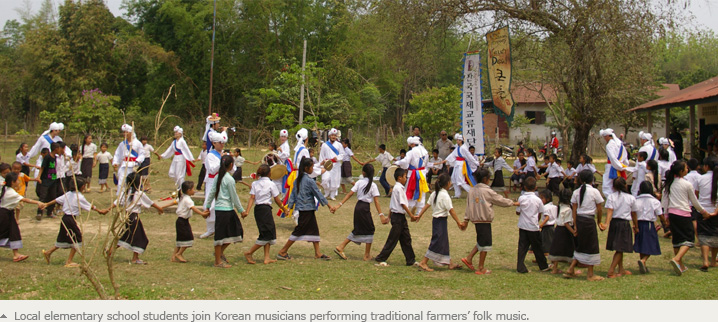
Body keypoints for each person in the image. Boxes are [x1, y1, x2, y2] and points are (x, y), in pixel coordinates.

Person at [277, 158, 336, 260]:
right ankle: (282, 251)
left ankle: (318, 253)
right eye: (312, 167)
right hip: (307, 210)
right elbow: (318, 194)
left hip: (303, 209)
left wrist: (289, 208)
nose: (313, 169)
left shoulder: (297, 180)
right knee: (298, 231)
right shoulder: (309, 181)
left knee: (314, 230)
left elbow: (292, 196)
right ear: (306, 168)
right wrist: (329, 205)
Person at [461, 168, 518, 275]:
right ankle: (481, 268)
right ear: (485, 179)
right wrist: (513, 203)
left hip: (476, 220)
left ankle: (469, 258)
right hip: (484, 220)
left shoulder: (471, 190)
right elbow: (500, 200)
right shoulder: (487, 191)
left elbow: (468, 207)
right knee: (486, 244)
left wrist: (466, 220)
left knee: (482, 241)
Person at [40, 177, 108, 267]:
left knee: (63, 238)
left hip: (65, 219)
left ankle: (48, 252)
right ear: (81, 186)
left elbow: (57, 200)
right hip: (70, 219)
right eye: (84, 186)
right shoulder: (79, 197)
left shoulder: (68, 194)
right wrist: (99, 210)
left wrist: (47, 204)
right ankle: (69, 261)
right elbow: (89, 205)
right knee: (77, 238)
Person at [662, 160, 711, 276]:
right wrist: (703, 212)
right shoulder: (687, 184)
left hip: (672, 214)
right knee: (689, 240)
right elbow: (694, 201)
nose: (687, 169)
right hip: (683, 213)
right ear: (681, 171)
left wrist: (666, 215)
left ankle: (681, 265)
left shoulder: (669, 183)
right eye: (685, 168)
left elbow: (665, 201)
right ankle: (677, 258)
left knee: (677, 240)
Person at [106, 172, 166, 264]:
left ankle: (111, 250)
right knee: (140, 238)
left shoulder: (126, 193)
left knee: (125, 235)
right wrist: (160, 208)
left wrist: (107, 209)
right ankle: (135, 258)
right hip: (134, 218)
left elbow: (116, 202)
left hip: (127, 217)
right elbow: (150, 203)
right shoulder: (139, 193)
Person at [414, 173, 466, 271]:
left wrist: (420, 215)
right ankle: (423, 262)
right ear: (447, 183)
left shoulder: (435, 193)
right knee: (436, 241)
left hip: (437, 221)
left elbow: (427, 205)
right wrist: (458, 222)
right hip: (440, 221)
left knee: (443, 242)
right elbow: (451, 210)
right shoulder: (444, 195)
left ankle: (450, 263)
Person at [333, 164, 383, 261]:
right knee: (370, 229)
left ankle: (342, 247)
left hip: (358, 207)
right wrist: (381, 215)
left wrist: (339, 205)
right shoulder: (373, 185)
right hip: (364, 208)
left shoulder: (359, 182)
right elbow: (376, 201)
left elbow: (350, 194)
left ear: (363, 173)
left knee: (360, 229)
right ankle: (365, 254)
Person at [205, 155, 246, 268]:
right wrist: (241, 210)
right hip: (224, 209)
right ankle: (217, 261)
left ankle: (219, 253)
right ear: (231, 165)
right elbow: (234, 196)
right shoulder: (229, 179)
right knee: (220, 235)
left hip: (225, 210)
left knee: (236, 232)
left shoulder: (219, 177)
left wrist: (208, 205)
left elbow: (212, 192)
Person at [242, 164, 288, 265]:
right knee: (267, 234)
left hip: (257, 209)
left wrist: (247, 211)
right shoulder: (271, 184)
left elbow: (252, 198)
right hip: (265, 210)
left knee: (267, 233)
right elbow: (277, 200)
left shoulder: (255, 183)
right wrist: (284, 209)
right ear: (269, 173)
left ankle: (267, 257)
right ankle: (249, 252)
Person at [564, 170, 605, 281]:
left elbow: (574, 209)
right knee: (592, 246)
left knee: (580, 245)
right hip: (589, 221)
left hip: (580, 220)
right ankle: (590, 274)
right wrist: (599, 222)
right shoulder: (594, 192)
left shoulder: (576, 192)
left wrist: (575, 224)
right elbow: (600, 209)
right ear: (592, 179)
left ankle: (570, 269)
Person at [374, 168, 417, 267]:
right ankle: (381, 257)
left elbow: (392, 204)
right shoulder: (398, 188)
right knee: (393, 239)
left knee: (406, 238)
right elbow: (402, 204)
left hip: (399, 217)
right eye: (405, 177)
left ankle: (410, 259)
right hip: (398, 217)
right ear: (399, 177)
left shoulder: (398, 188)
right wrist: (411, 215)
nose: (406, 179)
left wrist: (389, 217)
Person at [0, 172, 44, 262]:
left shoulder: (5, 188)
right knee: (5, 232)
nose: (19, 182)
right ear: (12, 182)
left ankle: (16, 255)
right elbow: (25, 200)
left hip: (8, 214)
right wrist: (38, 202)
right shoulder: (10, 192)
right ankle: (16, 255)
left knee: (14, 232)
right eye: (17, 181)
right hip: (4, 215)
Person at [600, 177, 638, 278]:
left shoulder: (611, 197)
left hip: (614, 223)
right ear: (625, 185)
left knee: (619, 247)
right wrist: (636, 225)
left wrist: (606, 223)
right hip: (624, 224)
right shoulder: (631, 198)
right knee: (620, 248)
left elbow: (610, 211)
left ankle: (621, 269)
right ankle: (611, 271)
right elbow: (634, 213)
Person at [514, 177, 549, 273]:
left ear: (524, 187)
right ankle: (543, 266)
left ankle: (520, 266)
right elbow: (541, 212)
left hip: (523, 225)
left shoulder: (521, 198)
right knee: (537, 247)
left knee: (522, 247)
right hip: (533, 226)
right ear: (535, 187)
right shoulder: (538, 200)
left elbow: (518, 212)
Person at [200, 130, 229, 239]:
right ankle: (210, 229)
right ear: (214, 143)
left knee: (222, 204)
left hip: (222, 181)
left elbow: (231, 169)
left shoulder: (222, 154)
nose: (221, 145)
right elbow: (212, 170)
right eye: (219, 142)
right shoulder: (210, 155)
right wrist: (222, 160)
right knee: (210, 204)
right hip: (212, 182)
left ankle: (221, 229)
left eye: (222, 143)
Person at [171, 181, 209, 263]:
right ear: (188, 190)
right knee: (188, 238)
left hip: (180, 221)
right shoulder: (188, 200)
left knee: (180, 240)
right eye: (193, 189)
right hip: (183, 221)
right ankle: (179, 254)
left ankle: (173, 257)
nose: (194, 190)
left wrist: (163, 206)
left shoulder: (182, 197)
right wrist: (202, 213)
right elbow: (193, 208)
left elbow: (174, 202)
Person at [633, 181, 663, 274]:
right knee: (651, 244)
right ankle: (644, 260)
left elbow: (633, 213)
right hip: (649, 224)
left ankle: (643, 264)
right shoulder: (654, 201)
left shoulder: (636, 200)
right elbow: (660, 214)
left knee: (642, 244)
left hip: (638, 224)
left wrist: (635, 225)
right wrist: (665, 222)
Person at [395, 137, 429, 213]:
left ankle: (408, 207)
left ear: (413, 144)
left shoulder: (411, 152)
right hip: (422, 173)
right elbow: (426, 163)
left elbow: (405, 161)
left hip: (412, 174)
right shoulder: (425, 151)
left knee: (409, 189)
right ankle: (419, 210)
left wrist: (397, 163)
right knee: (421, 191)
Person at [548, 189, 577, 274]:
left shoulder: (560, 206)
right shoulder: (568, 209)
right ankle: (572, 270)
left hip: (558, 229)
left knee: (557, 248)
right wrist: (573, 232)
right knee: (570, 249)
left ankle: (555, 269)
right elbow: (566, 223)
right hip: (566, 231)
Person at [158, 126, 195, 191]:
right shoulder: (174, 142)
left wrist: (191, 158)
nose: (175, 134)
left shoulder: (182, 141)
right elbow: (169, 150)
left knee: (179, 174)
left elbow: (187, 150)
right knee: (171, 173)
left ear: (180, 134)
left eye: (177, 133)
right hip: (175, 158)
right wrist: (162, 155)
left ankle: (181, 187)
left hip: (181, 158)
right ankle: (182, 184)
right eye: (175, 133)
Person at [112, 124, 145, 196]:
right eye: (124, 132)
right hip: (124, 165)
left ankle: (133, 197)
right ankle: (120, 198)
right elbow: (117, 154)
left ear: (131, 133)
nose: (125, 134)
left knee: (132, 183)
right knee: (121, 182)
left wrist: (137, 162)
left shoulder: (137, 143)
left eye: (126, 132)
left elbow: (142, 154)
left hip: (133, 166)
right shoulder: (122, 144)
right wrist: (115, 162)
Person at [444, 134, 478, 198]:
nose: (457, 141)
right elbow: (452, 155)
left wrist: (476, 163)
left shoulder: (464, 148)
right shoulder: (458, 148)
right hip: (457, 164)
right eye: (457, 140)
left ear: (461, 141)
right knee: (453, 179)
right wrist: (445, 160)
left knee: (460, 181)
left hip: (461, 164)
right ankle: (457, 194)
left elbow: (469, 156)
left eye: (458, 140)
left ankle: (473, 192)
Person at [36, 142, 62, 221]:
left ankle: (50, 212)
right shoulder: (47, 157)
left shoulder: (56, 157)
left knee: (53, 196)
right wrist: (39, 177)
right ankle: (39, 212)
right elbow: (42, 168)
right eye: (59, 148)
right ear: (56, 149)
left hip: (53, 180)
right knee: (43, 196)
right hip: (46, 180)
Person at [600, 128, 629, 197]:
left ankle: (612, 200)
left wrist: (619, 167)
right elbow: (625, 156)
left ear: (607, 136)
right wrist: (624, 166)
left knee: (607, 186)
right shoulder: (620, 144)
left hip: (612, 166)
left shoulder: (609, 145)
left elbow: (612, 158)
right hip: (620, 165)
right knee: (618, 184)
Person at [320, 128, 345, 200]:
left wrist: (337, 158)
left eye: (335, 135)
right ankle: (327, 192)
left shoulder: (339, 145)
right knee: (325, 179)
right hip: (327, 165)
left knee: (335, 180)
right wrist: (321, 165)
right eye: (332, 135)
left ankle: (332, 195)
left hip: (335, 165)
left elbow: (342, 154)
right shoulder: (324, 145)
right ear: (329, 136)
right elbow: (321, 156)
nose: (333, 137)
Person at [538, 189, 557, 259]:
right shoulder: (554, 207)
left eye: (542, 198)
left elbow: (547, 217)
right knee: (550, 243)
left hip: (547, 228)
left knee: (545, 245)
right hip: (552, 227)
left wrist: (541, 224)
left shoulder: (545, 207)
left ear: (548, 199)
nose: (541, 200)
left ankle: (545, 258)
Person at [275, 129, 291, 195]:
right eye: (282, 136)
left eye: (284, 137)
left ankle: (282, 193)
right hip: (279, 164)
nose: (283, 138)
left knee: (279, 180)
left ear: (286, 137)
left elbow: (287, 155)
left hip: (283, 164)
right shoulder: (282, 145)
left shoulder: (286, 146)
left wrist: (281, 151)